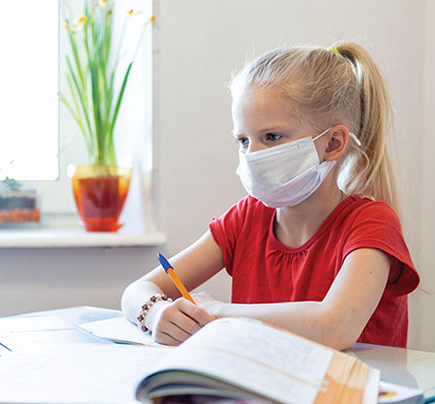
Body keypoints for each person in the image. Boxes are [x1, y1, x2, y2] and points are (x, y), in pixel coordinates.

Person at [121, 42, 420, 350]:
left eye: (272, 137)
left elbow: (335, 326)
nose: (252, 155)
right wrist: (155, 311)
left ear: (332, 143)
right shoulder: (246, 218)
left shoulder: (371, 223)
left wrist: (219, 312)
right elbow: (136, 291)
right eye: (243, 140)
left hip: (352, 394)